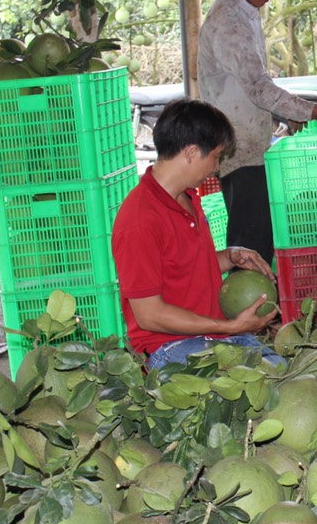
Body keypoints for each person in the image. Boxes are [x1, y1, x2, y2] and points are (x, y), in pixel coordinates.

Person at [199, 0, 317, 266]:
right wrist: (312, 110)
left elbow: (249, 87)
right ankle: (247, 312)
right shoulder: (229, 21)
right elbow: (257, 87)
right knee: (249, 244)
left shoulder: (245, 10)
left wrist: (283, 114)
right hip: (239, 150)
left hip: (250, 144)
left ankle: (256, 310)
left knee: (258, 238)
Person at [112, 98, 283, 369]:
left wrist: (231, 256)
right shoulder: (139, 220)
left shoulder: (189, 197)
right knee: (262, 385)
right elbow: (149, 315)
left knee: (284, 374)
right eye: (215, 157)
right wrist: (229, 326)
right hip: (170, 347)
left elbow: (183, 270)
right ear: (191, 153)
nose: (216, 168)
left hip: (214, 336)